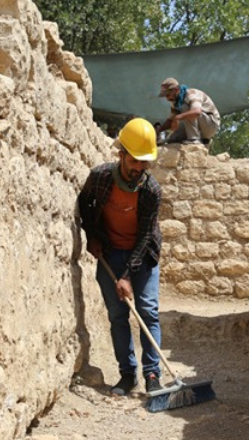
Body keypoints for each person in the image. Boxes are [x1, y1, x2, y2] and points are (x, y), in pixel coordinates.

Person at [77, 118, 164, 396]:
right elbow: (85, 203)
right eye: (135, 160)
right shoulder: (100, 177)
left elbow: (146, 236)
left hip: (143, 255)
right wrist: (93, 236)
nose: (139, 168)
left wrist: (127, 274)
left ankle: (153, 375)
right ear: (122, 154)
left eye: (144, 163)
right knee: (117, 315)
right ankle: (128, 375)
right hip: (110, 252)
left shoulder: (151, 191)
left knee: (148, 312)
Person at [156, 77, 221, 145]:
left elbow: (197, 112)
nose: (167, 98)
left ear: (176, 89)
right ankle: (203, 141)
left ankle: (194, 139)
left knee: (184, 107)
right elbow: (170, 120)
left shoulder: (191, 94)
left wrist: (178, 118)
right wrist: (159, 130)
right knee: (173, 139)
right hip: (199, 124)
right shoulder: (176, 101)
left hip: (211, 124)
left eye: (168, 95)